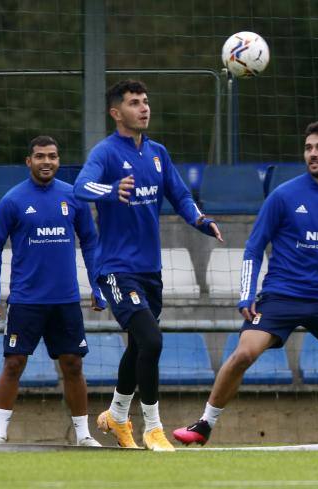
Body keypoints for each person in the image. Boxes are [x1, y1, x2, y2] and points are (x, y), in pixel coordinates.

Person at [172, 121, 318, 445]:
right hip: (281, 296)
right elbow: (253, 247)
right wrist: (246, 295)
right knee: (244, 354)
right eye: (308, 148)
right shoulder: (283, 196)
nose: (312, 154)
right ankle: (204, 424)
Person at [74, 79, 223, 452]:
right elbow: (79, 187)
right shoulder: (106, 153)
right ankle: (152, 427)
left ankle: (116, 416)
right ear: (116, 112)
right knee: (152, 341)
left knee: (139, 346)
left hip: (149, 270)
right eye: (134, 102)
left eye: (145, 101)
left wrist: (200, 220)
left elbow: (179, 194)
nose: (144, 108)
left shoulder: (158, 153)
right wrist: (110, 190)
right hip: (115, 269)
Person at [0, 135, 105, 447]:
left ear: (58, 160)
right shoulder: (12, 200)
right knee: (13, 364)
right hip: (26, 301)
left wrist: (97, 284)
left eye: (52, 156)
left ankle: (83, 435)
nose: (46, 162)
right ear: (29, 161)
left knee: (73, 364)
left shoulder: (73, 197)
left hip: (65, 300)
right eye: (40, 156)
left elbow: (91, 242)